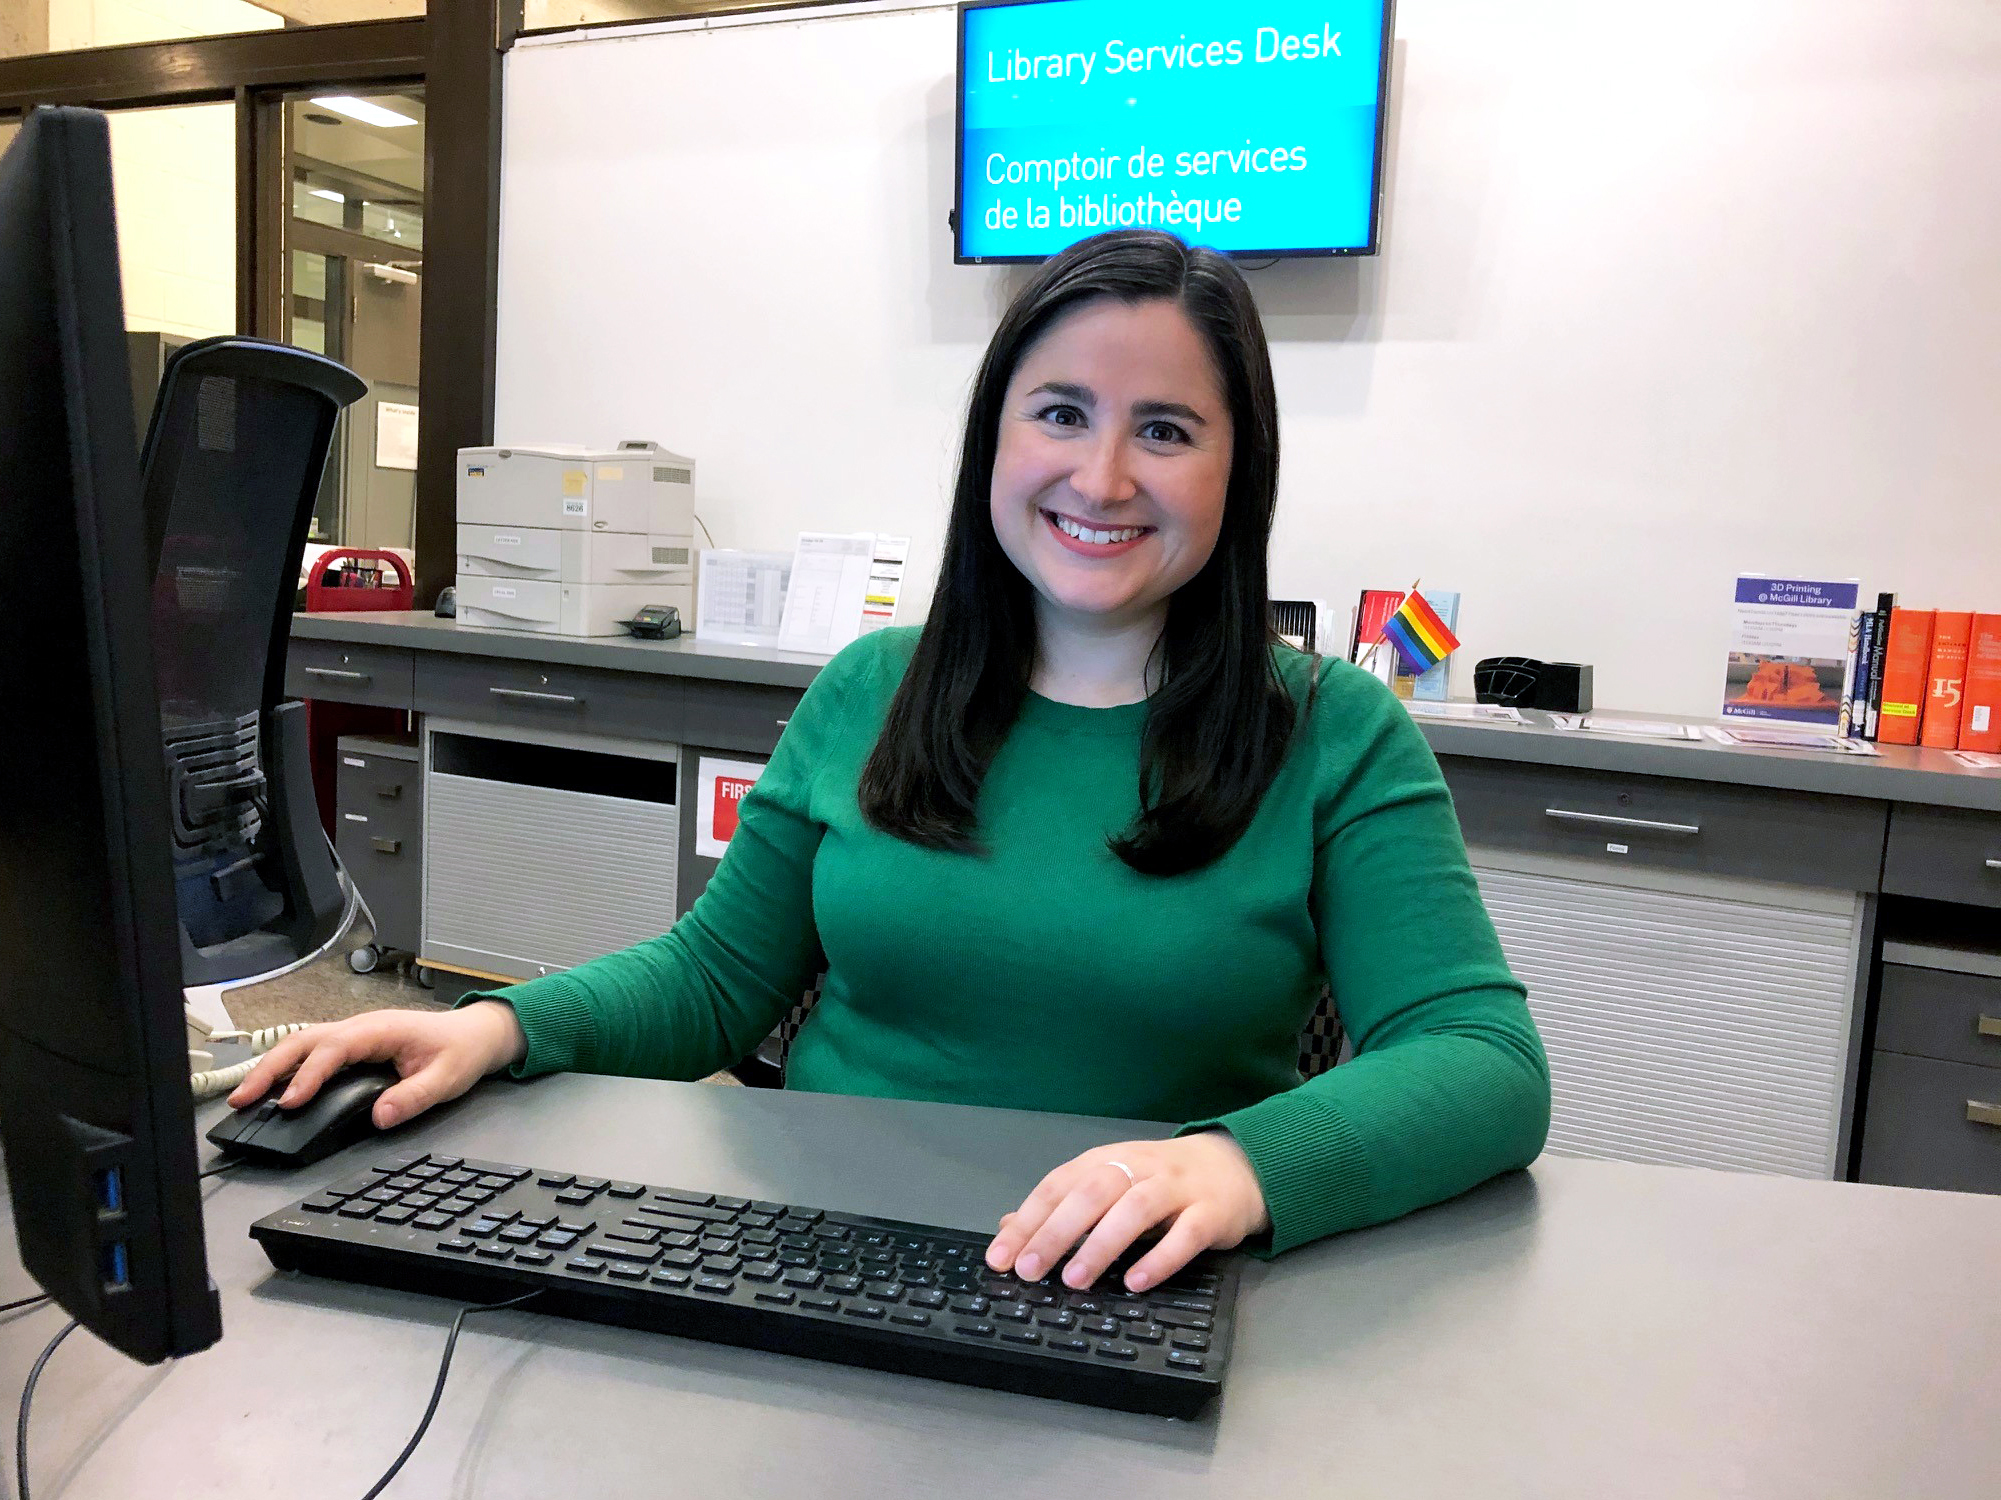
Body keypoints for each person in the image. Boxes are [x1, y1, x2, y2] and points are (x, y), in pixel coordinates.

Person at [232, 229, 1550, 1295]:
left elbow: (1480, 1056)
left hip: (1134, 1276)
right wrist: (500, 1025)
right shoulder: (873, 690)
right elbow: (710, 985)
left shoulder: (1331, 731)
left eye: (1164, 429)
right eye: (1060, 412)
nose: (1099, 475)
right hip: (814, 1257)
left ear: (1234, 468)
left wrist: (1237, 1167)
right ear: (994, 441)